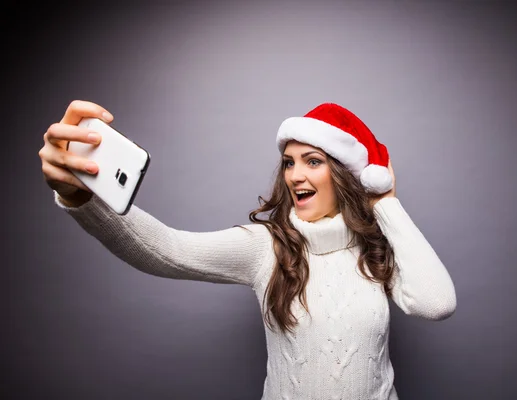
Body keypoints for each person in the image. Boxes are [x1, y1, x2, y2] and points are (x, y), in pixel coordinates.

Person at [38, 100, 457, 399]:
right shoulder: (268, 247)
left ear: (349, 176)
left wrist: (384, 201)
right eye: (289, 162)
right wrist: (82, 198)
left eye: (312, 161)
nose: (295, 174)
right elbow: (165, 249)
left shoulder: (377, 248)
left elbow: (436, 303)